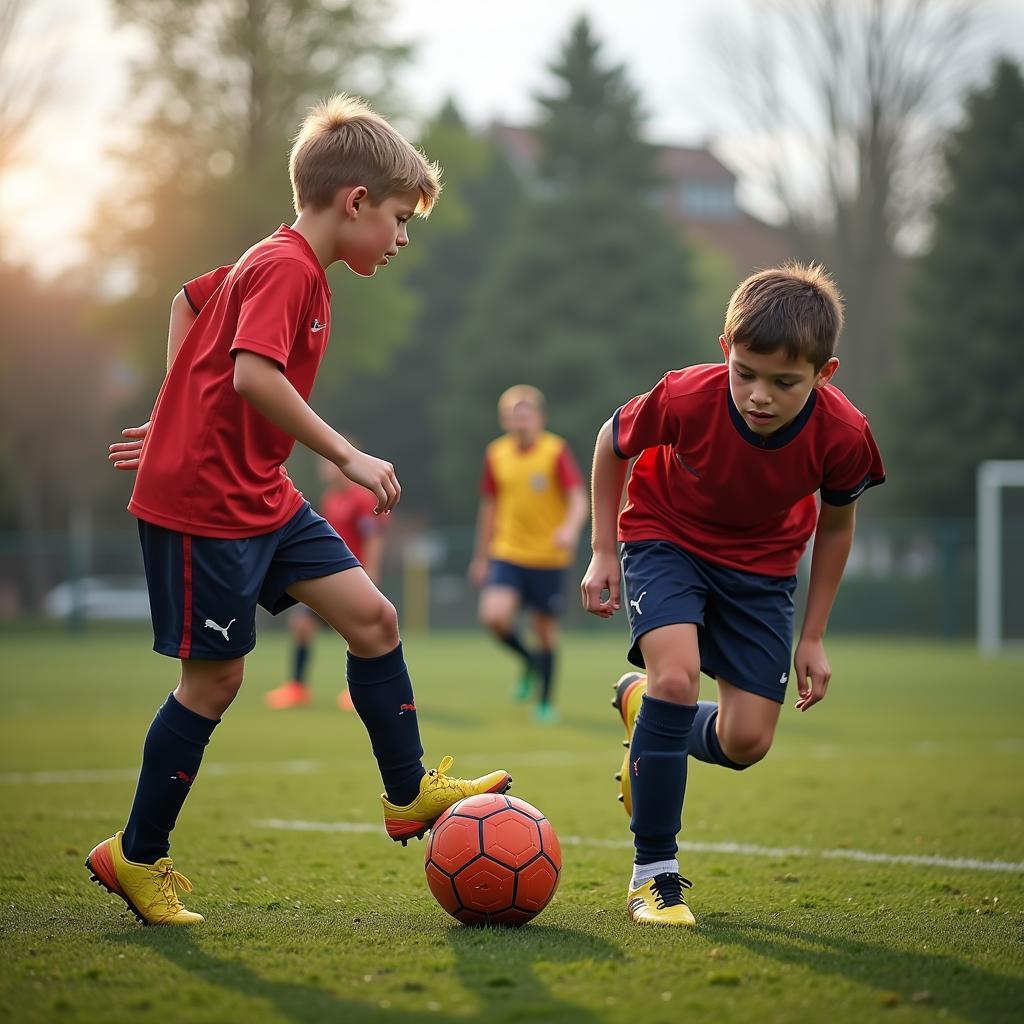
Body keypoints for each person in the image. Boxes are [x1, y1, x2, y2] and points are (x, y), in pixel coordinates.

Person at [85, 94, 511, 927]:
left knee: (374, 619)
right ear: (354, 201)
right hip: (203, 503)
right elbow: (251, 375)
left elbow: (187, 300)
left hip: (260, 494)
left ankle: (407, 794)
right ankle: (135, 857)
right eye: (396, 219)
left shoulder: (287, 265)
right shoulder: (285, 267)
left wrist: (176, 403)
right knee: (214, 684)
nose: (400, 238)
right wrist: (345, 455)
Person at [581, 263, 884, 927]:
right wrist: (604, 550)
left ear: (823, 375)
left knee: (747, 741)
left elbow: (837, 524)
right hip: (667, 538)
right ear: (726, 350)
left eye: (784, 382)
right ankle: (654, 876)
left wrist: (813, 634)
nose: (759, 396)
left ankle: (645, 713)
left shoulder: (844, 434)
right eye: (745, 372)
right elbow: (613, 441)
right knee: (677, 676)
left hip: (764, 571)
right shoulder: (688, 395)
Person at [468, 385, 588, 724]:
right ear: (505, 419)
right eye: (514, 414)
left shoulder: (555, 451)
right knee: (494, 617)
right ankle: (529, 662)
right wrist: (481, 556)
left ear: (540, 417)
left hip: (548, 557)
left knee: (545, 631)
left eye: (527, 413)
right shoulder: (496, 454)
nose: (521, 420)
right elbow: (489, 507)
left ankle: (546, 701)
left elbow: (579, 499)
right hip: (508, 552)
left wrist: (569, 527)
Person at [265, 455, 385, 711]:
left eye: (329, 463)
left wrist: (371, 572)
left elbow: (373, 536)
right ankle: (297, 687)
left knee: (360, 634)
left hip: (353, 577)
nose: (325, 469)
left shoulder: (360, 498)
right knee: (302, 624)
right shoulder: (332, 498)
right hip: (329, 576)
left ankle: (366, 691)